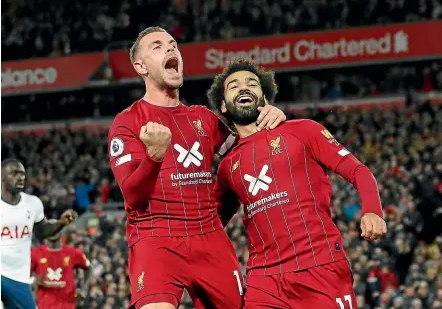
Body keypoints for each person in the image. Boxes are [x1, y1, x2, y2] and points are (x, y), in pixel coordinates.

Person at [107, 26, 286, 309]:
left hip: (209, 238)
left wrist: (271, 118)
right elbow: (133, 196)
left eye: (173, 44)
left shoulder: (202, 118)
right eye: (157, 46)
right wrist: (154, 157)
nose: (170, 49)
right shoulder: (128, 122)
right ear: (140, 66)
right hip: (156, 239)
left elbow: (249, 152)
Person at [209, 58, 387, 309]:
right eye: (233, 86)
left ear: (265, 98)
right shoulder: (228, 166)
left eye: (252, 83)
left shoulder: (303, 130)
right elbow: (210, 222)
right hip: (264, 280)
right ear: (224, 106)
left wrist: (372, 210)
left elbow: (358, 170)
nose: (243, 88)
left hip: (320, 267)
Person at [1, 158, 77, 309]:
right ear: (2, 176)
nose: (21, 177)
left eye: (22, 174)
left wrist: (61, 223)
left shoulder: (32, 203)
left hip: (18, 277)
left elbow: (42, 232)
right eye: (14, 173)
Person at [31, 224, 91, 309]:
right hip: (44, 303)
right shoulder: (36, 253)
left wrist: (84, 289)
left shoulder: (74, 253)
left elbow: (88, 268)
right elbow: (26, 276)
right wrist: (33, 284)